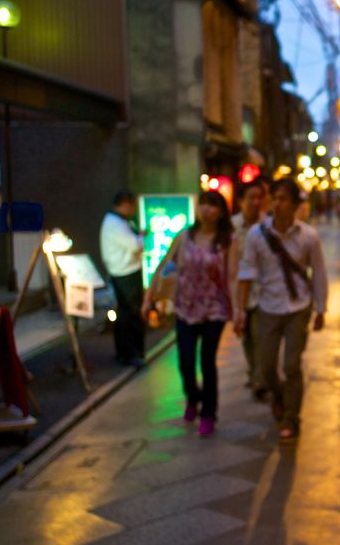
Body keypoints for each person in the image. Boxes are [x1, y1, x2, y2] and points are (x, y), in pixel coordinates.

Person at [234, 178, 328, 442]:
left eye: (283, 199)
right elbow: (246, 272)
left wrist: (321, 308)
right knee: (265, 368)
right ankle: (280, 396)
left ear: (295, 205)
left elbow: (319, 273)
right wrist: (240, 311)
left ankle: (291, 418)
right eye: (273, 198)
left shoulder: (308, 236)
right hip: (267, 307)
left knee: (292, 364)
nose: (277, 203)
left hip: (298, 307)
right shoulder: (256, 235)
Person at [143, 190, 234, 436]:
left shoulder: (226, 241)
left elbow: (232, 276)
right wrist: (148, 298)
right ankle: (193, 398)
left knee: (206, 361)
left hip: (215, 308)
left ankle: (208, 413)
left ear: (221, 212)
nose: (206, 209)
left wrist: (238, 311)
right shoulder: (184, 236)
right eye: (203, 203)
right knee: (185, 362)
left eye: (212, 205)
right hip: (185, 307)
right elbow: (163, 265)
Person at [230, 178, 267, 399]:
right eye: (250, 198)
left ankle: (260, 377)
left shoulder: (267, 226)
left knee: (261, 335)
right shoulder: (232, 227)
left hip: (263, 291)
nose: (255, 202)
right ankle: (254, 372)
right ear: (241, 201)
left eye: (258, 197)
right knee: (247, 336)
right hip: (239, 292)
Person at [100, 189, 145, 366]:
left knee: (124, 313)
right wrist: (141, 237)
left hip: (120, 271)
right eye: (131, 205)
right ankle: (132, 353)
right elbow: (135, 246)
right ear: (125, 205)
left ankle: (124, 353)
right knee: (131, 314)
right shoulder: (116, 223)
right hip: (126, 272)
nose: (133, 209)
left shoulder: (113, 221)